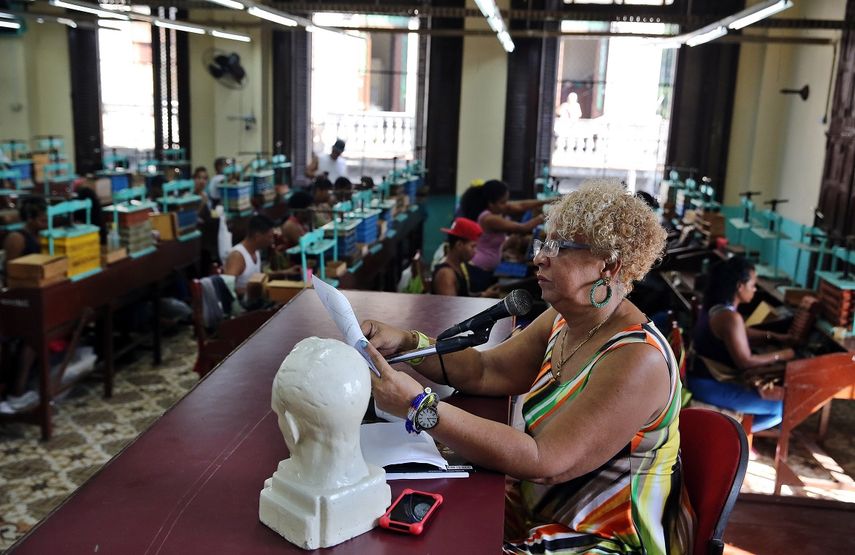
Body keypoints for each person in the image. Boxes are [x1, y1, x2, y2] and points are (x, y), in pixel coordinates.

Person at [362, 180, 694, 553]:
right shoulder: (564, 319)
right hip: (536, 513)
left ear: (609, 265)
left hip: (601, 538)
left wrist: (420, 407)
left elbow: (544, 460)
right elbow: (484, 371)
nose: (539, 258)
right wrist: (409, 342)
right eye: (543, 245)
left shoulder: (638, 358)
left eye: (560, 248)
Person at [689, 256, 795, 432]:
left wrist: (774, 337)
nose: (754, 289)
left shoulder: (715, 306)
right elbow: (745, 362)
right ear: (740, 286)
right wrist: (782, 355)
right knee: (780, 408)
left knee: (768, 393)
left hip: (698, 377)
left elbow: (740, 332)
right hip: (708, 385)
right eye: (753, 284)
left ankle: (735, 430)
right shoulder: (730, 317)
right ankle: (733, 436)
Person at [458, 180, 544, 293]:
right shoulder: (489, 218)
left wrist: (545, 201)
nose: (506, 205)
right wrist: (543, 216)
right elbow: (523, 228)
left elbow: (521, 205)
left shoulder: (494, 211)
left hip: (487, 269)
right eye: (503, 202)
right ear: (491, 203)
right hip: (479, 268)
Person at [432, 217, 499, 298]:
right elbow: (450, 305)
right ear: (459, 245)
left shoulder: (460, 266)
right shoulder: (446, 275)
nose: (475, 251)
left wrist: (484, 295)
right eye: (472, 246)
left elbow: (463, 297)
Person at [223, 214, 275, 298]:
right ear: (257, 236)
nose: (272, 241)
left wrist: (285, 273)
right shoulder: (237, 256)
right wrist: (254, 291)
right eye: (270, 237)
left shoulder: (256, 251)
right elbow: (227, 287)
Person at [3, 196, 47, 276]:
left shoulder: (42, 234)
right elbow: (9, 270)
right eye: (43, 221)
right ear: (29, 219)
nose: (47, 223)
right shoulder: (16, 238)